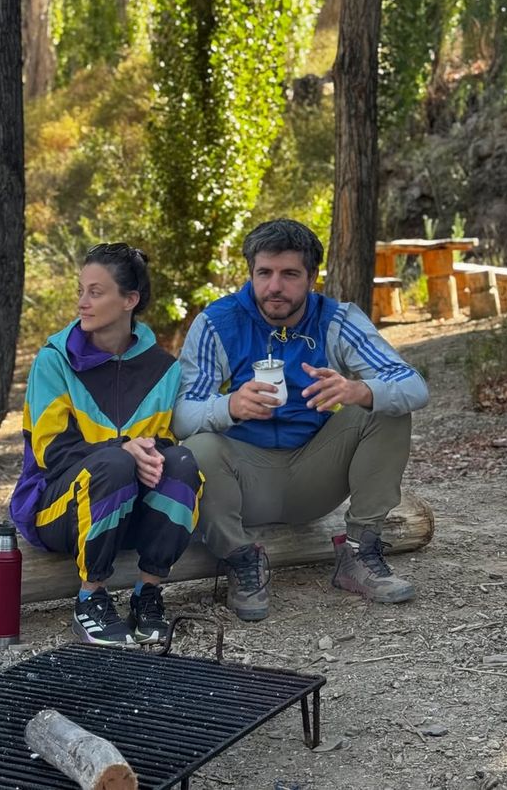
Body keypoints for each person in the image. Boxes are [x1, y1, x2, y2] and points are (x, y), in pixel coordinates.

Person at [173, 219, 429, 622]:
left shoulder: (337, 319)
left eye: (290, 274)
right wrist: (229, 406)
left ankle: (360, 553)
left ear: (312, 277)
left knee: (386, 409)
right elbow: (182, 415)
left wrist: (359, 391)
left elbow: (413, 385)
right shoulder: (216, 323)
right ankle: (242, 560)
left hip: (314, 473)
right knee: (197, 446)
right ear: (251, 273)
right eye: (265, 273)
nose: (275, 286)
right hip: (243, 480)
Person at [10, 242, 203, 646]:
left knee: (183, 463)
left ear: (129, 300)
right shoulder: (54, 360)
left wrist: (150, 453)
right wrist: (123, 450)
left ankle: (147, 593)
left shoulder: (163, 370)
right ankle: (90, 599)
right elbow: (51, 454)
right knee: (114, 464)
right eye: (80, 291)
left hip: (125, 511)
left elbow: (163, 441)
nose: (82, 302)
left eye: (95, 293)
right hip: (56, 508)